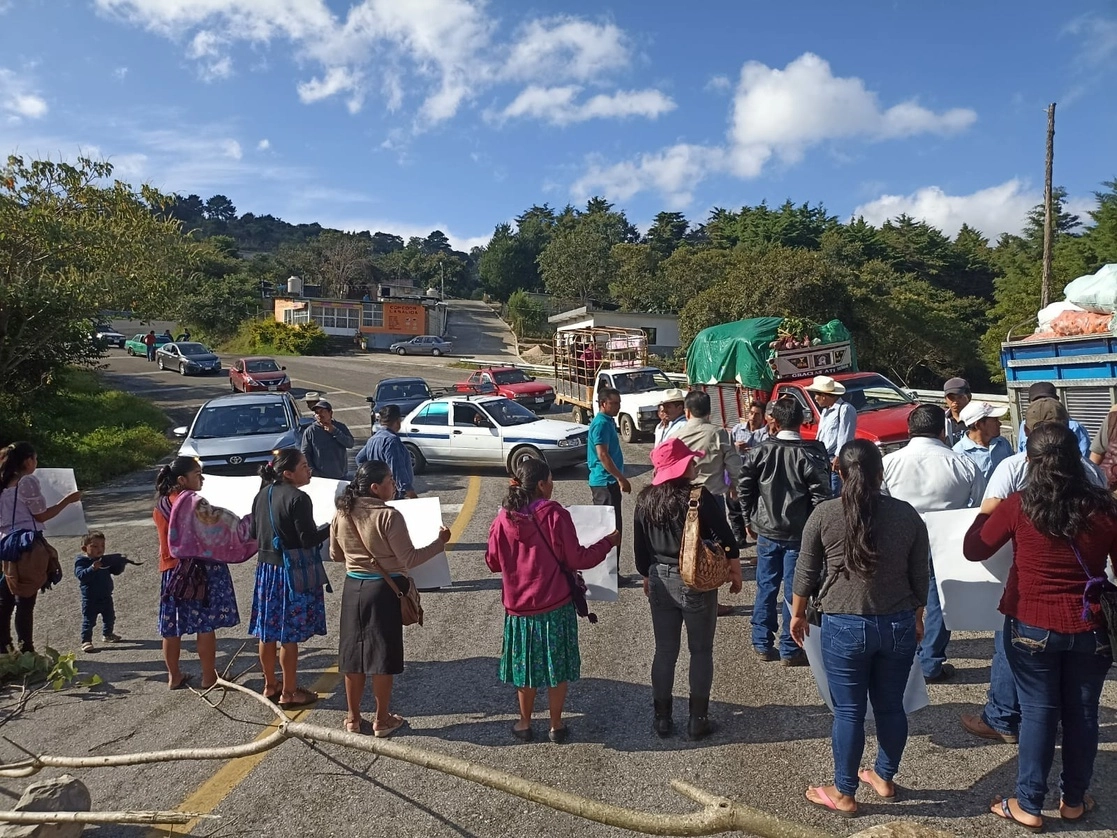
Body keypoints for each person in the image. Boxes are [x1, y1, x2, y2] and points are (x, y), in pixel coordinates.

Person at [963, 423, 1115, 831]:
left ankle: (1028, 803)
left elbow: (974, 548)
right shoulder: (1102, 505)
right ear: (1075, 457)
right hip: (1090, 624)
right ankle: (1074, 800)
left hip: (1031, 622)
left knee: (1037, 714)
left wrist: (985, 512)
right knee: (1082, 714)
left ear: (1029, 460)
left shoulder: (1020, 503)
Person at [790, 440, 929, 817]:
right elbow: (921, 577)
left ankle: (844, 792)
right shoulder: (906, 515)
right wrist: (918, 619)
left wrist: (797, 614)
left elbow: (805, 572)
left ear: (838, 472)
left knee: (848, 712)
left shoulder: (824, 514)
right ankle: (884, 776)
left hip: (845, 625)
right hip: (898, 622)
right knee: (890, 707)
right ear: (881, 473)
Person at [486, 459, 618, 743]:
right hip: (555, 605)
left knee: (525, 669)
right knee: (557, 668)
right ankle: (556, 725)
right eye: (550, 479)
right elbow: (577, 559)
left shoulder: (503, 519)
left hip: (518, 610)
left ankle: (524, 723)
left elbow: (493, 563)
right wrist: (608, 542)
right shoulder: (554, 515)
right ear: (543, 484)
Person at [331, 461, 451, 737]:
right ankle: (382, 719)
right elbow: (409, 558)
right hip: (383, 591)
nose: (394, 485)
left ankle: (352, 718)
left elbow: (336, 555)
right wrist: (440, 542)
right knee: (381, 657)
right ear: (375, 487)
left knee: (353, 655)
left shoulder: (343, 512)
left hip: (353, 587)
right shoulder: (389, 516)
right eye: (390, 481)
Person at [634, 439, 742, 739]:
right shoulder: (698, 497)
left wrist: (646, 575)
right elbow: (726, 535)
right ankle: (697, 720)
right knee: (701, 650)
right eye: (690, 461)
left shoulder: (645, 499)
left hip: (658, 578)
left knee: (665, 652)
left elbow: (640, 550)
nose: (695, 464)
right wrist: (734, 569)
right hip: (695, 581)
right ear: (682, 467)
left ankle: (663, 719)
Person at [882, 405, 984, 683]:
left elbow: (879, 500)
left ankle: (901, 657)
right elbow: (978, 505)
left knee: (899, 595)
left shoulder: (889, 462)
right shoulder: (963, 463)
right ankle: (930, 661)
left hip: (900, 536)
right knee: (940, 598)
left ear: (909, 429)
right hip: (947, 537)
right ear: (943, 430)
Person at [740, 397, 830, 665]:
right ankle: (791, 648)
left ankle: (762, 642)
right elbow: (822, 497)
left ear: (773, 421)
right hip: (800, 534)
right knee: (796, 590)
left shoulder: (759, 451)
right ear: (802, 421)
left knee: (765, 586)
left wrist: (748, 519)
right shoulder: (812, 452)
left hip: (767, 530)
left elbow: (745, 487)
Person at [249, 448, 330, 708]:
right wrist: (332, 525)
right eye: (304, 466)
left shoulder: (262, 494)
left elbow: (253, 532)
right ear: (288, 473)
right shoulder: (299, 498)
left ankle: (270, 684)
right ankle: (290, 692)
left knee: (267, 632)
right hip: (289, 572)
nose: (309, 469)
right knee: (289, 635)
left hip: (266, 571)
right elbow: (308, 539)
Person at [154, 457, 239, 690]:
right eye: (197, 474)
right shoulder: (194, 503)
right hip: (197, 570)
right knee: (205, 625)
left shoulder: (161, 504)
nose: (202, 478)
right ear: (182, 480)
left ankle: (174, 676)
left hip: (171, 571)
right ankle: (208, 677)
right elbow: (215, 530)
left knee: (172, 627)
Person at [0, 442, 80, 654]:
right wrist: (67, 501)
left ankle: (5, 649)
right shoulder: (27, 482)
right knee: (25, 598)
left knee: (5, 599)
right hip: (25, 544)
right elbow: (41, 515)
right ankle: (27, 649)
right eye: (35, 459)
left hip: (4, 544)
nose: (36, 463)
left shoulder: (3, 482)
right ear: (27, 461)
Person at [588, 387, 629, 556]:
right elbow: (602, 455)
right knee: (609, 530)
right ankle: (609, 574)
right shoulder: (601, 424)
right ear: (603, 403)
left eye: (619, 403)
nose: (618, 406)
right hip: (605, 482)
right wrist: (620, 478)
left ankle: (613, 572)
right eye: (614, 403)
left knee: (614, 527)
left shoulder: (608, 421)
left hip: (608, 482)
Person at [74, 531, 123, 653]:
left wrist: (120, 564)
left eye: (102, 546)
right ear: (85, 548)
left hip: (106, 596)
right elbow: (80, 575)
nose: (99, 549)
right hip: (90, 598)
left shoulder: (103, 560)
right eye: (95, 546)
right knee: (89, 620)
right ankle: (86, 640)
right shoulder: (82, 562)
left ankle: (108, 634)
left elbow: (114, 571)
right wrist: (92, 568)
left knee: (109, 617)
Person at [807, 376, 856, 494]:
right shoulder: (825, 412)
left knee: (835, 491)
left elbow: (846, 435)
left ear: (824, 396)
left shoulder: (845, 409)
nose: (815, 398)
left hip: (834, 458)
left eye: (817, 395)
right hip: (823, 457)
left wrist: (838, 457)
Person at [355, 405, 416, 499]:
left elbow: (359, 459)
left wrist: (371, 477)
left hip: (377, 492)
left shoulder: (372, 439)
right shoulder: (392, 441)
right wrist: (411, 494)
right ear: (397, 421)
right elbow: (397, 470)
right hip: (393, 495)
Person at [1016, 382, 1091, 457]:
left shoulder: (1074, 426)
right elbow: (1021, 452)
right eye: (1037, 400)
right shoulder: (1024, 424)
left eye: (1048, 399)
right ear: (1029, 402)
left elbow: (1083, 457)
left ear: (1057, 400)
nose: (1043, 403)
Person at [953, 400, 1013, 483]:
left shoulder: (1003, 443)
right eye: (995, 420)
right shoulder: (959, 453)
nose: (999, 424)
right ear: (978, 425)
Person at [300, 399, 355, 480]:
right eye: (316, 412)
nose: (319, 414)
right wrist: (313, 472)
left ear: (330, 413)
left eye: (322, 411)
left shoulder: (340, 427)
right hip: (321, 478)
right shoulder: (310, 431)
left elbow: (350, 443)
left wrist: (334, 431)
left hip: (341, 475)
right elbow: (305, 453)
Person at [943, 377, 972, 446]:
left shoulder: (978, 419)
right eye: (951, 398)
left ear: (969, 397)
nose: (955, 402)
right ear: (945, 399)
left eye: (960, 397)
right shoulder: (941, 420)